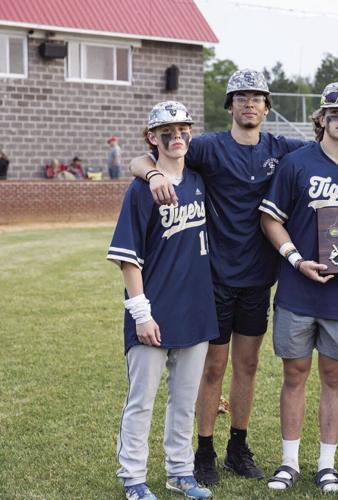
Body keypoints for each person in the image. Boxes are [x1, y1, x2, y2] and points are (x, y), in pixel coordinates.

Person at [129, 71, 338, 486]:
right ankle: (205, 450)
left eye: (257, 98)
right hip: (213, 275)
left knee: (247, 365)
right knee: (213, 367)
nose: (249, 104)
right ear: (230, 105)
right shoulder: (209, 146)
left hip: (259, 276)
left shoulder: (281, 149)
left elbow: (332, 142)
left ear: (267, 107)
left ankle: (238, 445)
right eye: (241, 97)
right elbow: (146, 155)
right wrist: (153, 175)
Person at [259, 82, 338, 493]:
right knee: (294, 373)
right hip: (297, 286)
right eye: (333, 112)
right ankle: (289, 462)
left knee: (332, 376)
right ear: (321, 118)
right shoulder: (297, 162)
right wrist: (295, 258)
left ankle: (327, 464)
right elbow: (271, 219)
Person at [107, 101, 216, 500]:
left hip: (196, 309)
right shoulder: (140, 190)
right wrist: (141, 314)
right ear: (152, 137)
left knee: (184, 401)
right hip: (152, 312)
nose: (176, 137)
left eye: (182, 129)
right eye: (165, 131)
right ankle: (133, 478)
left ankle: (180, 472)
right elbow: (127, 260)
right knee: (142, 401)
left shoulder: (200, 180)